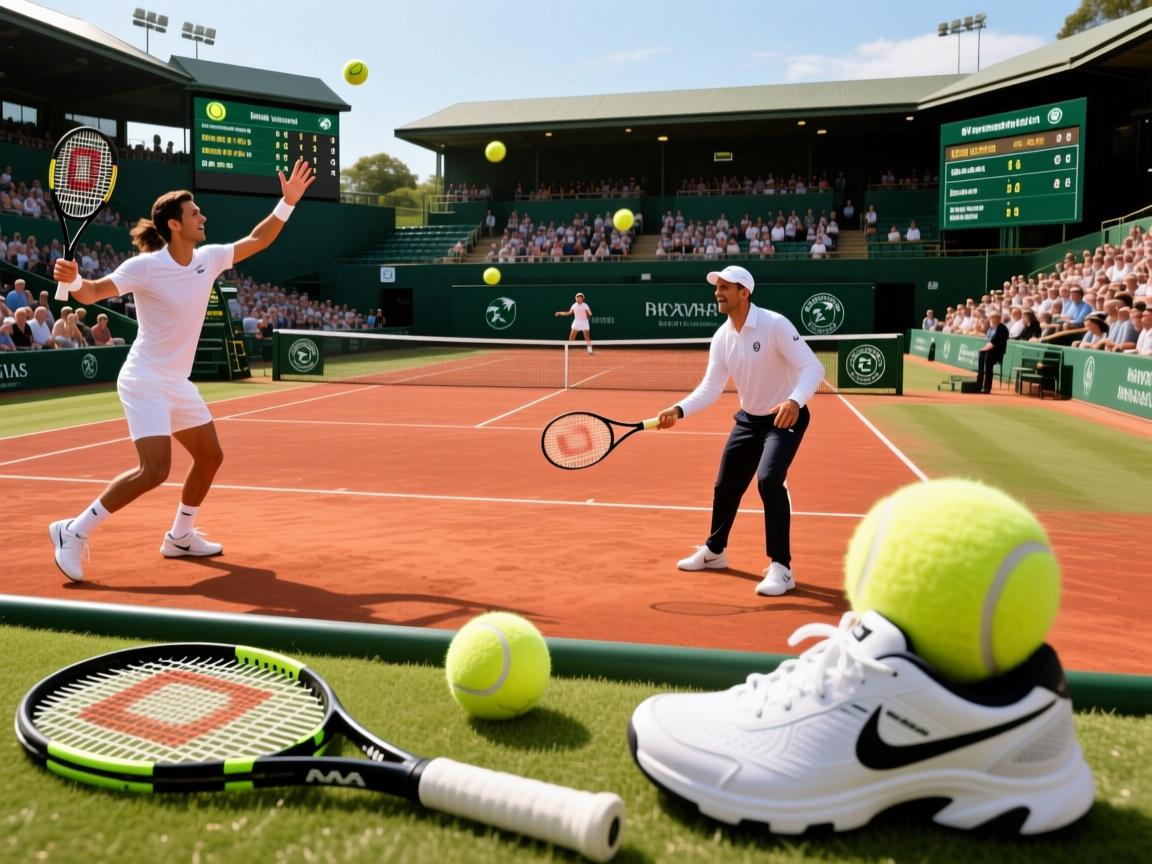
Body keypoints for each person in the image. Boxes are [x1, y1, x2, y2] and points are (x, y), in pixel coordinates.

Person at [47, 158, 316, 582]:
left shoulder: (208, 258)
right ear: (174, 224)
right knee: (154, 470)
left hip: (176, 381)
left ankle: (180, 535)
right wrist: (76, 280)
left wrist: (287, 203)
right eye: (195, 213)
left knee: (210, 456)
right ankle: (73, 530)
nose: (203, 217)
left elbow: (257, 240)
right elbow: (93, 293)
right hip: (144, 380)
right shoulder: (145, 266)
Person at [658, 265, 824, 597]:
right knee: (725, 485)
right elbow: (710, 388)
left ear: (744, 292)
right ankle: (715, 552)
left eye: (724, 287)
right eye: (716, 287)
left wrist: (794, 400)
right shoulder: (722, 337)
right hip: (749, 420)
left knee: (769, 480)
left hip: (784, 418)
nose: (717, 293)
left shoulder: (774, 324)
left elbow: (812, 367)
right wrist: (679, 410)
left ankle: (782, 567)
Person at [975, 310, 1008, 394]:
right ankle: (979, 384)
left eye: (993, 318)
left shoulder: (1002, 328)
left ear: (998, 319)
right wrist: (984, 349)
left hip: (997, 352)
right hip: (990, 350)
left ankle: (987, 388)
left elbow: (993, 342)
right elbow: (988, 341)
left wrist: (985, 348)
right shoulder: (991, 328)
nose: (991, 319)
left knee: (988, 360)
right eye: (990, 318)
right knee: (982, 355)